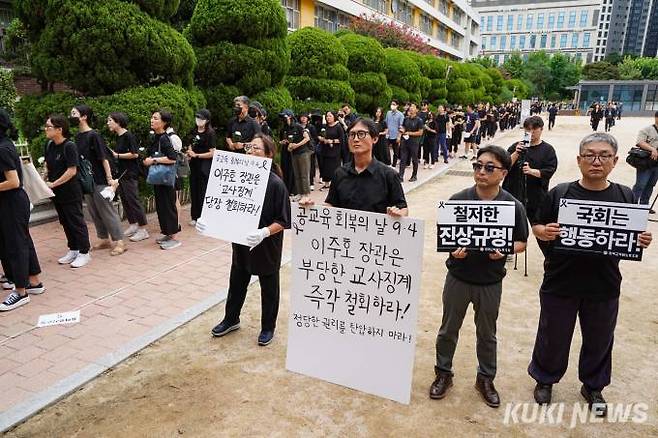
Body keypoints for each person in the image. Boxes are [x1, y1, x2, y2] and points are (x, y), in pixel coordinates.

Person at [528, 132, 652, 416]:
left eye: (604, 156)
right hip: (560, 279)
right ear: (579, 160)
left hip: (604, 282)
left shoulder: (626, 195)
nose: (596, 161)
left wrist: (641, 240)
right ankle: (545, 379)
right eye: (590, 156)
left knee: (599, 337)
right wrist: (544, 232)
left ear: (615, 161)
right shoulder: (560, 192)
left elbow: (631, 237)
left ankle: (593, 385)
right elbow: (537, 224)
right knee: (553, 333)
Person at [430, 145, 528, 408]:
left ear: (503, 173)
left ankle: (485, 378)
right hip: (458, 277)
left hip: (491, 281)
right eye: (477, 166)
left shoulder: (513, 205)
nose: (481, 172)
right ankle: (443, 373)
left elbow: (522, 242)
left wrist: (504, 250)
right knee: (448, 329)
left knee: (487, 333)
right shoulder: (457, 199)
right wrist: (454, 250)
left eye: (489, 167)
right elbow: (445, 236)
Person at [210, 134, 291, 346]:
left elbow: (283, 220)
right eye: (249, 148)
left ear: (269, 154)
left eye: (256, 148)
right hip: (241, 240)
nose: (251, 152)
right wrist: (209, 221)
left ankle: (267, 327)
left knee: (269, 287)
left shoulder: (276, 184)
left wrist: (264, 232)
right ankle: (231, 319)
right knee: (237, 281)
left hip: (266, 244)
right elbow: (225, 206)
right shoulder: (238, 177)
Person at [0, 109, 44, 311]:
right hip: (11, 202)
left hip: (11, 201)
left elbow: (13, 181)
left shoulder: (2, 148)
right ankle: (33, 282)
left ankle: (20, 292)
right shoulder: (5, 145)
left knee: (16, 245)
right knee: (22, 241)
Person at [70, 105, 127, 256]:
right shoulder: (77, 137)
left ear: (84, 117)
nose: (72, 116)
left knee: (107, 211)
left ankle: (120, 241)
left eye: (74, 113)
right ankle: (104, 238)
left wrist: (109, 179)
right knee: (94, 211)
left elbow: (104, 158)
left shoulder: (93, 135)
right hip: (86, 180)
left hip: (99, 179)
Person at [44, 115, 92, 268]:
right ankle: (73, 249)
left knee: (76, 221)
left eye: (49, 127)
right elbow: (48, 165)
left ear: (59, 129)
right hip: (56, 193)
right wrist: (44, 178)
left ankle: (84, 252)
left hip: (70, 191)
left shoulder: (69, 146)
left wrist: (54, 184)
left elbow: (72, 171)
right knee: (65, 221)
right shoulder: (50, 145)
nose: (46, 129)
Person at [503, 116, 558, 222]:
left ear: (541, 129)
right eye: (528, 129)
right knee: (512, 228)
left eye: (534, 129)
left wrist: (531, 171)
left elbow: (550, 170)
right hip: (513, 193)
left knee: (539, 225)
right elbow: (504, 167)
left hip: (536, 196)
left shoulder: (548, 150)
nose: (531, 132)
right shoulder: (516, 146)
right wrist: (516, 153)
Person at [107, 112, 149, 242]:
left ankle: (143, 229)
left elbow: (135, 154)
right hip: (121, 174)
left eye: (110, 120)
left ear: (118, 122)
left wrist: (117, 155)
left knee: (133, 200)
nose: (107, 123)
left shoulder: (128, 136)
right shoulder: (119, 137)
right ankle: (133, 224)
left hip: (130, 173)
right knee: (125, 199)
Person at [144, 110, 181, 250]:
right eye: (152, 117)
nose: (152, 120)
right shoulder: (156, 137)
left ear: (164, 122)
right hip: (158, 178)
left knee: (168, 206)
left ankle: (174, 237)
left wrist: (153, 160)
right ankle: (167, 233)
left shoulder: (165, 138)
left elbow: (172, 158)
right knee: (161, 207)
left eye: (155, 118)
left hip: (166, 178)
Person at [186, 109, 216, 227]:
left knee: (203, 191)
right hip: (194, 164)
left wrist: (197, 155)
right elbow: (189, 144)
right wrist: (189, 151)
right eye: (197, 117)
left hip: (204, 165)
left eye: (201, 118)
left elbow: (212, 152)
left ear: (207, 120)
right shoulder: (193, 131)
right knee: (194, 190)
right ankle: (194, 216)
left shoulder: (210, 133)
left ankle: (203, 216)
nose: (198, 120)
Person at [280, 109, 312, 203]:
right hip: (294, 153)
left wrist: (296, 145)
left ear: (290, 116)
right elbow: (288, 141)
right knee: (297, 174)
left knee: (304, 174)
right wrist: (285, 143)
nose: (283, 118)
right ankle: (299, 193)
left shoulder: (298, 126)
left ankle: (306, 194)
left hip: (303, 152)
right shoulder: (286, 129)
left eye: (284, 116)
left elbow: (307, 138)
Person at [631, 111, 658, 210]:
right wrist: (652, 149)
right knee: (640, 185)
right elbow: (639, 142)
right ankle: (631, 205)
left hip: (657, 164)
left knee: (651, 185)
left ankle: (644, 205)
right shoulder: (647, 130)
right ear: (656, 118)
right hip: (646, 162)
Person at [317, 111, 344, 191]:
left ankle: (335, 185)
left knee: (334, 168)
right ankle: (326, 184)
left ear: (334, 117)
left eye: (330, 116)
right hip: (325, 150)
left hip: (334, 151)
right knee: (325, 167)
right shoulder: (325, 126)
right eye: (327, 116)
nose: (328, 118)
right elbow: (319, 135)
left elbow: (341, 139)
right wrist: (321, 139)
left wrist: (331, 141)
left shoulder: (338, 126)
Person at [398, 103, 423, 183]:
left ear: (416, 110)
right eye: (410, 107)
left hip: (414, 142)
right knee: (403, 158)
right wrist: (402, 130)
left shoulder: (419, 120)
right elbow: (403, 127)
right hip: (405, 141)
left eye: (413, 107)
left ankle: (414, 175)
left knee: (414, 159)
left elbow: (420, 132)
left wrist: (410, 133)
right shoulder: (406, 118)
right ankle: (400, 175)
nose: (411, 108)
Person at [298, 112, 318, 191]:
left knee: (311, 165)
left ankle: (311, 182)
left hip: (309, 148)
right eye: (302, 117)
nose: (303, 118)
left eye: (305, 117)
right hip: (300, 148)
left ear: (307, 118)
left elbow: (315, 137)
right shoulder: (298, 126)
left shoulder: (311, 127)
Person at [384, 100, 404, 166]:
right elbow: (386, 123)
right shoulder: (388, 113)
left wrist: (399, 136)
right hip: (388, 135)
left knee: (396, 152)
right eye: (391, 104)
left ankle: (394, 165)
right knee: (386, 150)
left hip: (396, 136)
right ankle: (388, 163)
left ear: (397, 105)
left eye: (394, 104)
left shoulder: (400, 115)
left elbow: (401, 127)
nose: (392, 105)